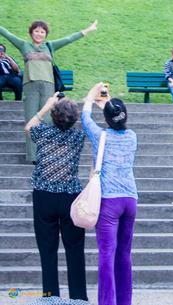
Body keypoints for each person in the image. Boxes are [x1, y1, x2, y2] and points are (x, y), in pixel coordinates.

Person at [0, 20, 97, 162]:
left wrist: (87, 30)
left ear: (45, 34)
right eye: (36, 31)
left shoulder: (49, 46)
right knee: (31, 119)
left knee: (47, 120)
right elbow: (7, 34)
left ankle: (45, 153)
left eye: (42, 32)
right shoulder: (24, 45)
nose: (39, 34)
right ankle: (32, 156)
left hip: (48, 86)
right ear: (31, 32)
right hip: (30, 86)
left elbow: (68, 39)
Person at [24, 92, 87, 302]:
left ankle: (51, 297)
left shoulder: (42, 133)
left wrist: (47, 106)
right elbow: (89, 125)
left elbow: (29, 126)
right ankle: (78, 298)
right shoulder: (78, 136)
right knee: (75, 250)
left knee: (47, 250)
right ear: (73, 119)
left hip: (44, 196)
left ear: (53, 116)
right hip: (70, 196)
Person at [82, 83, 138, 305]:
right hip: (130, 199)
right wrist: (110, 103)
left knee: (106, 255)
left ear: (106, 118)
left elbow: (86, 118)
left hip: (109, 201)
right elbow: (117, 118)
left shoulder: (100, 136)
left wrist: (90, 97)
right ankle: (125, 301)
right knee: (124, 255)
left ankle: (107, 302)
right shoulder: (132, 136)